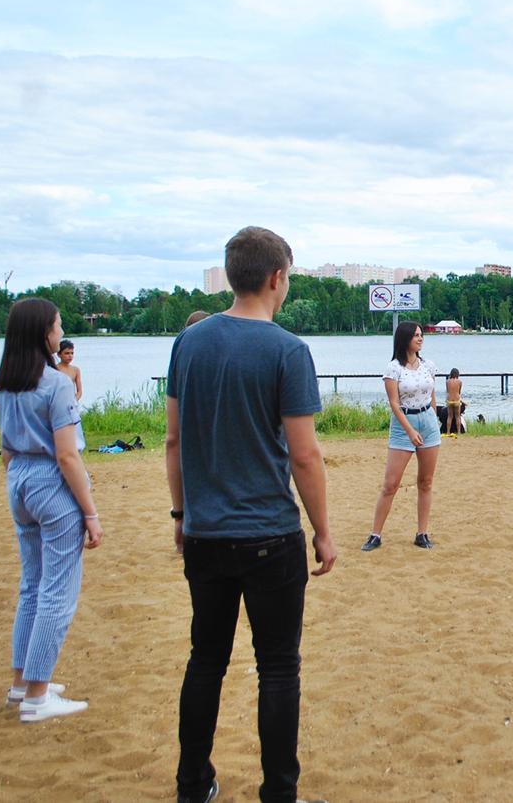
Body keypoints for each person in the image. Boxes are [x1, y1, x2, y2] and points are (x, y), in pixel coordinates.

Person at [166, 226, 336, 803]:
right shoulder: (288, 350)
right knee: (279, 669)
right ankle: (279, 793)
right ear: (275, 278)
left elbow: (173, 442)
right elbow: (305, 456)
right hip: (269, 534)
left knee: (205, 660)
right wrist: (324, 531)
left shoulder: (188, 343)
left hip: (206, 532)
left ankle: (193, 783)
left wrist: (180, 513)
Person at [0, 298, 103, 721]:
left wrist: (18, 484)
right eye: (58, 326)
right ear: (45, 333)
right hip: (49, 482)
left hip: (18, 478)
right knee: (57, 591)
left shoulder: (6, 383)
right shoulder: (55, 383)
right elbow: (67, 456)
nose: (61, 333)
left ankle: (23, 682)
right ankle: (38, 695)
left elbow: (5, 449)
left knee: (32, 584)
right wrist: (90, 511)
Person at [362, 321, 441, 552]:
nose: (420, 339)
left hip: (427, 422)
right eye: (416, 335)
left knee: (425, 482)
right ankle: (375, 534)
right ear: (404, 338)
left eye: (421, 335)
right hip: (403, 424)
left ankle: (422, 533)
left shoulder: (428, 365)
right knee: (391, 484)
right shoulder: (394, 368)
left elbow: (432, 394)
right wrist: (409, 430)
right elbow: (394, 404)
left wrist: (433, 420)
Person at [445, 368, 463, 439]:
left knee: (450, 416)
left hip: (449, 400)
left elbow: (447, 391)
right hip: (456, 400)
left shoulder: (447, 381)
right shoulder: (459, 382)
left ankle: (448, 432)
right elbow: (459, 391)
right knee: (457, 416)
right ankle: (458, 432)